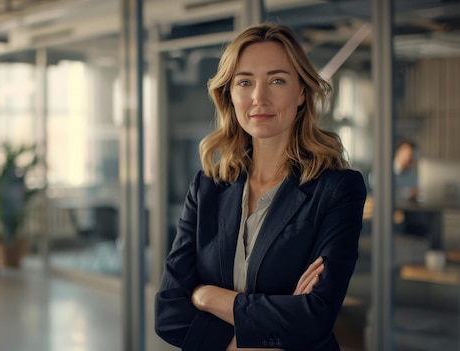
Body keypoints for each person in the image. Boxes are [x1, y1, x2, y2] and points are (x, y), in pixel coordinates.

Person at [154, 23, 367, 351]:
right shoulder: (207, 188)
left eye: (277, 80)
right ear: (229, 93)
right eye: (245, 82)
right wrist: (261, 332)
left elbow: (314, 318)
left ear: (300, 92)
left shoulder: (338, 190)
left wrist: (205, 296)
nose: (259, 97)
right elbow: (168, 312)